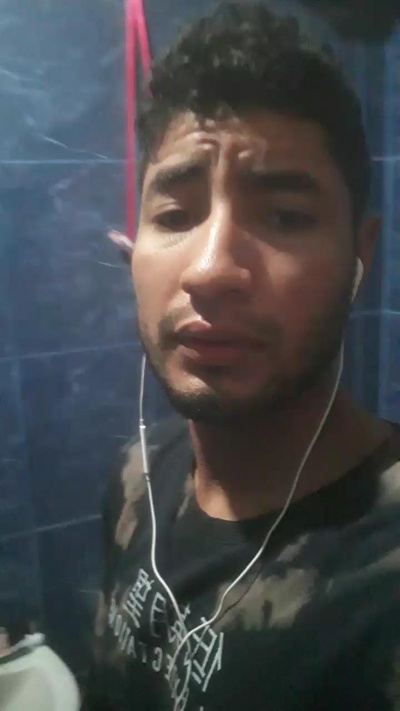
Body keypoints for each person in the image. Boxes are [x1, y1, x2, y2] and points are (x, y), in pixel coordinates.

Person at [83, 3, 400, 709]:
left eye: (285, 217)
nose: (209, 270)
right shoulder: (136, 479)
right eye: (175, 215)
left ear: (360, 256)